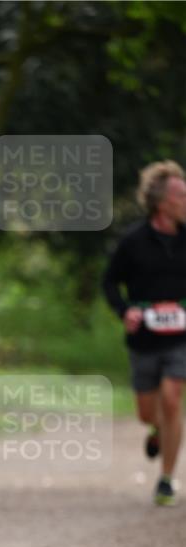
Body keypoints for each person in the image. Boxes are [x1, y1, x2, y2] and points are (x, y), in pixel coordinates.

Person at [102, 160, 186, 506]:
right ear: (162, 203)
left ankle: (166, 479)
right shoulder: (133, 241)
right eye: (181, 195)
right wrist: (126, 311)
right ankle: (155, 429)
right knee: (147, 412)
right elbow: (109, 282)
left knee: (173, 398)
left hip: (181, 337)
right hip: (144, 340)